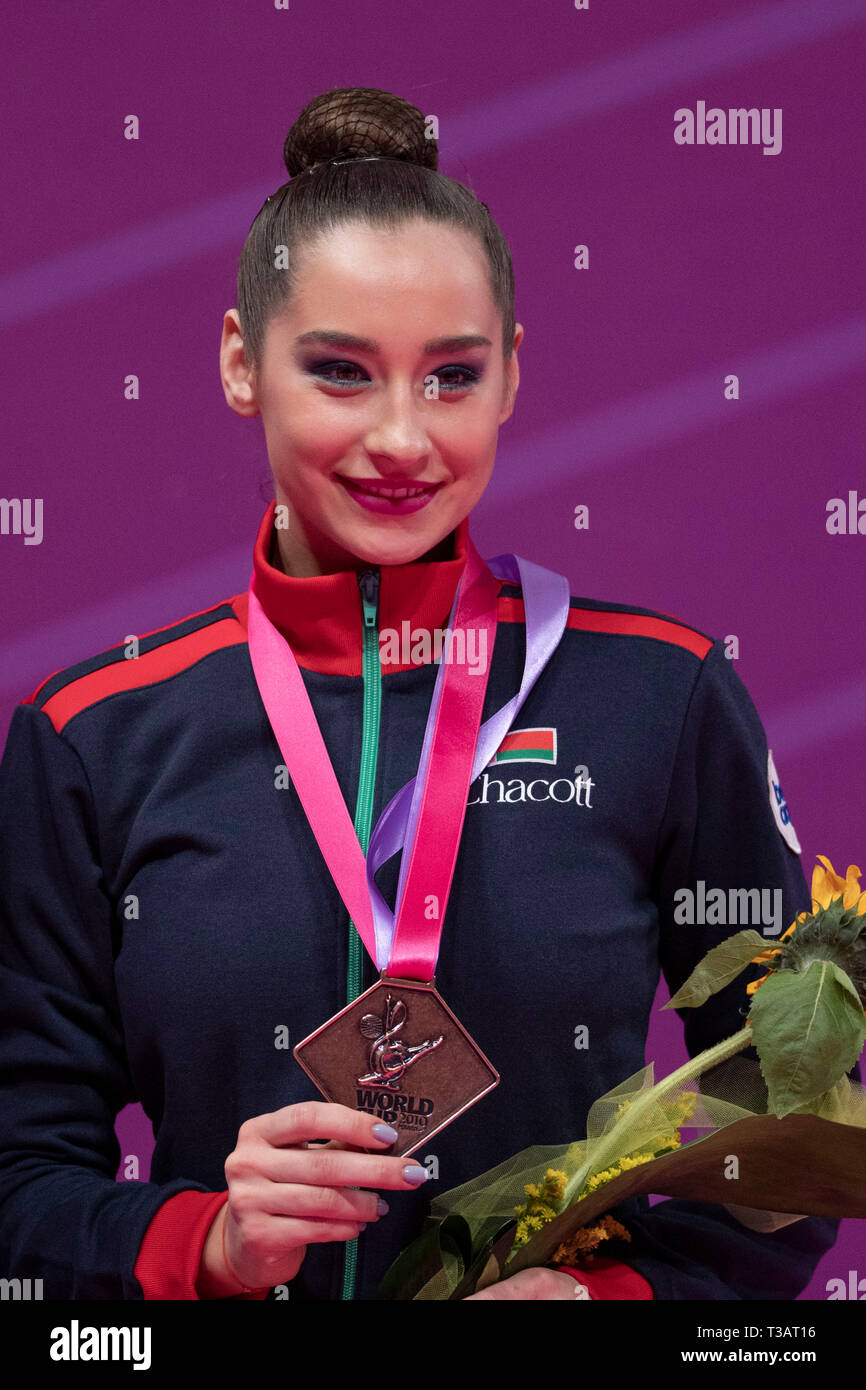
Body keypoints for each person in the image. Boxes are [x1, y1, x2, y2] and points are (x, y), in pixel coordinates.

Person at [0, 87, 852, 1303]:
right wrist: (207, 1244)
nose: (402, 438)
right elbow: (19, 1177)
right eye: (340, 370)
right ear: (242, 364)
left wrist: (609, 1301)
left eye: (451, 376)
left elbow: (796, 1120)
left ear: (511, 376)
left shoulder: (659, 690)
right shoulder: (93, 731)